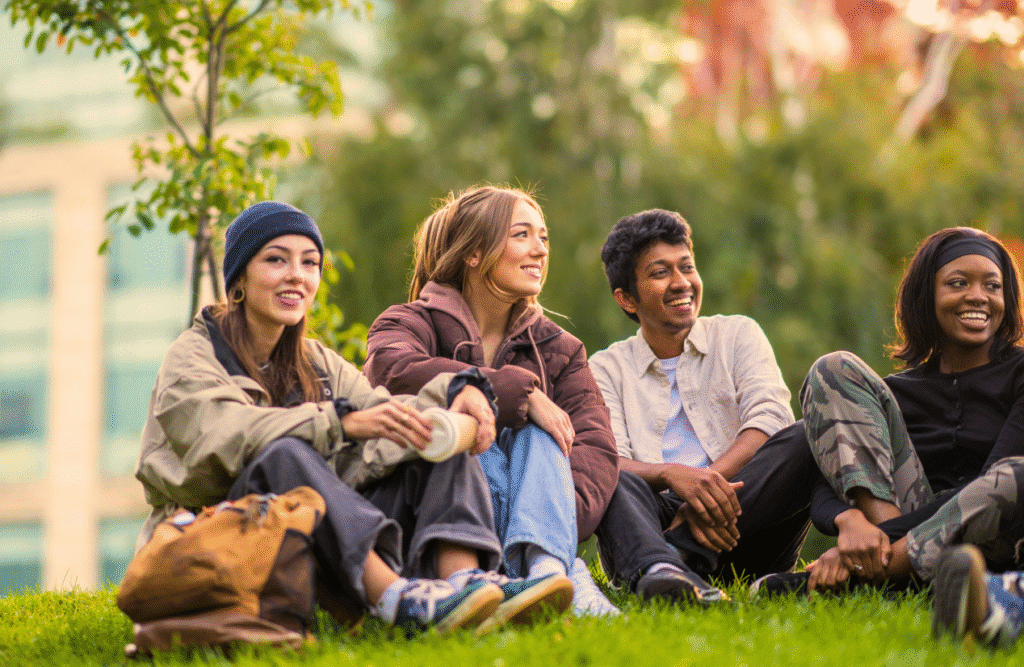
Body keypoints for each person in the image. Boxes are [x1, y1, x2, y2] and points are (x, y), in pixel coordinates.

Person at [134, 201, 567, 636]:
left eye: (310, 263)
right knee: (285, 455)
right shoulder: (194, 355)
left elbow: (385, 417)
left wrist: (456, 394)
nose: (296, 276)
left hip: (315, 536)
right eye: (275, 260)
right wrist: (339, 422)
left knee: (432, 436)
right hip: (221, 539)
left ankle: (465, 585)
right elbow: (221, 437)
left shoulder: (314, 361)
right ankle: (398, 600)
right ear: (239, 278)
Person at [364, 185, 620, 621]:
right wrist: (516, 394)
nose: (540, 249)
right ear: (475, 253)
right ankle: (546, 575)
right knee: (477, 417)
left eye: (544, 237)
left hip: (538, 523)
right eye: (522, 235)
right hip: (445, 523)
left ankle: (548, 568)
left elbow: (595, 451)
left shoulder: (562, 349)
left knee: (542, 432)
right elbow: (393, 372)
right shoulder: (405, 323)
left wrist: (541, 514)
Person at [753, 226, 1024, 596]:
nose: (977, 297)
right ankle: (896, 570)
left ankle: (874, 573)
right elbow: (828, 481)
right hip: (912, 518)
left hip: (1001, 539)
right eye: (958, 283)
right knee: (834, 368)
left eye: (992, 286)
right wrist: (848, 522)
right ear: (926, 296)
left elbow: (995, 486)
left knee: (1016, 474)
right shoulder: (896, 394)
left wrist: (876, 539)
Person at [588, 209, 818, 602]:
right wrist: (674, 476)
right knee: (612, 475)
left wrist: (705, 489)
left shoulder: (738, 334)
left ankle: (677, 554)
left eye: (687, 267)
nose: (682, 283)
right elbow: (610, 459)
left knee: (806, 435)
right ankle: (663, 570)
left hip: (741, 515)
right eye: (660, 273)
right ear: (626, 298)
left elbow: (771, 419)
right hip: (653, 523)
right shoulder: (606, 367)